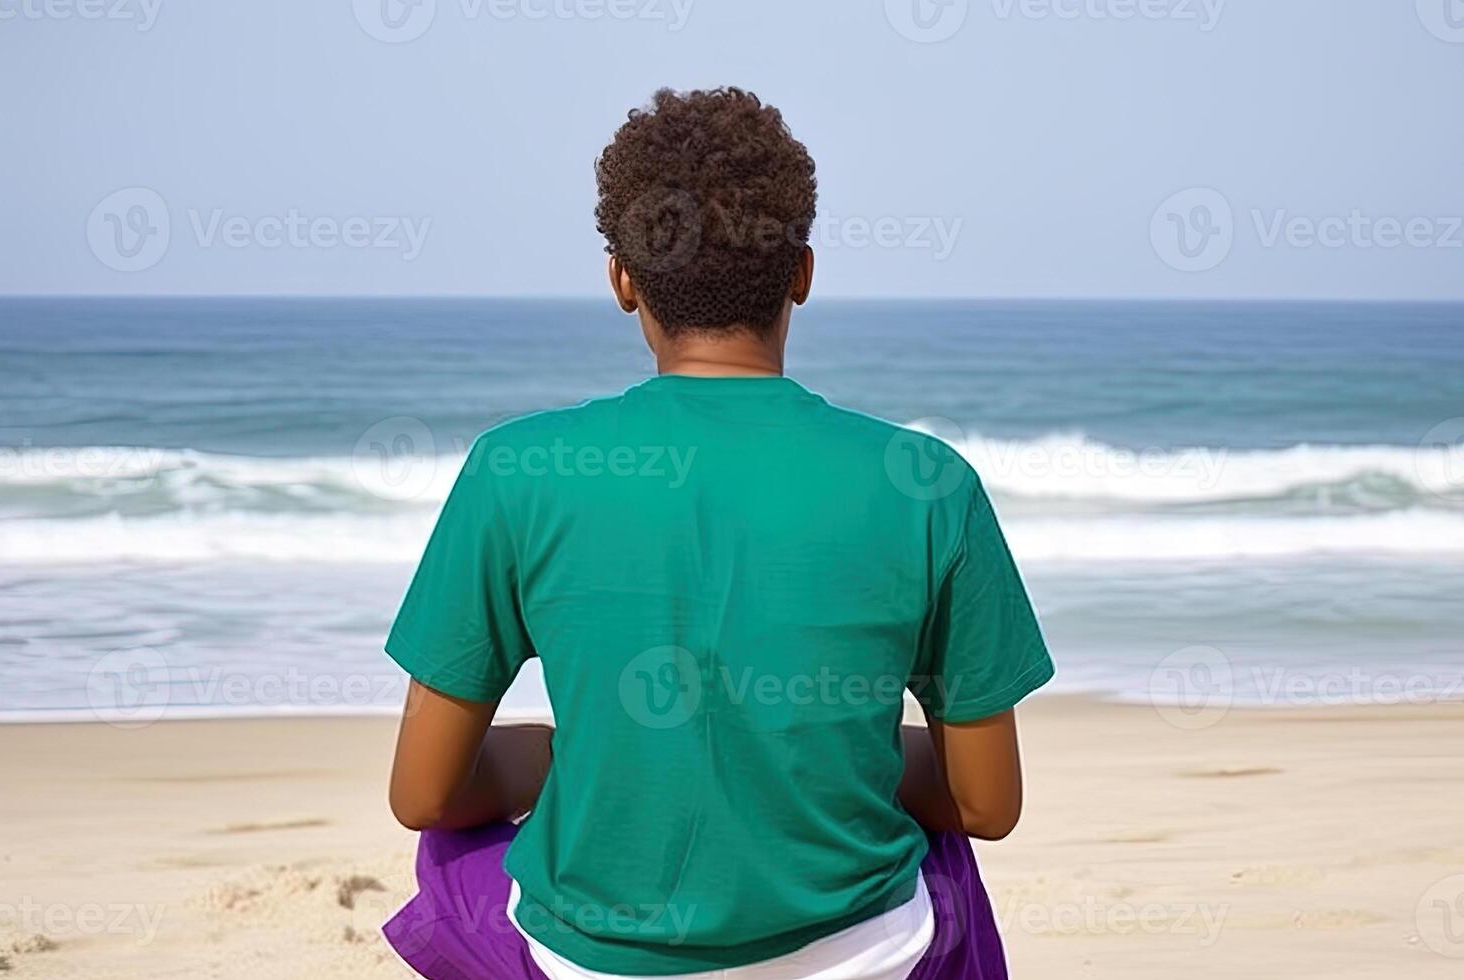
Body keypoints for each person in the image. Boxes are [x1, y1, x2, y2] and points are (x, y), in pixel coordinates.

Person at [381, 86, 1054, 980]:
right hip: (868, 956)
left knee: (446, 862)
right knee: (945, 866)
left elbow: (423, 794)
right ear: (803, 275)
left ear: (622, 281)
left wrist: (580, 759)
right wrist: (817, 744)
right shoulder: (929, 484)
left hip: (592, 964)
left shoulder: (516, 471)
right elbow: (987, 802)